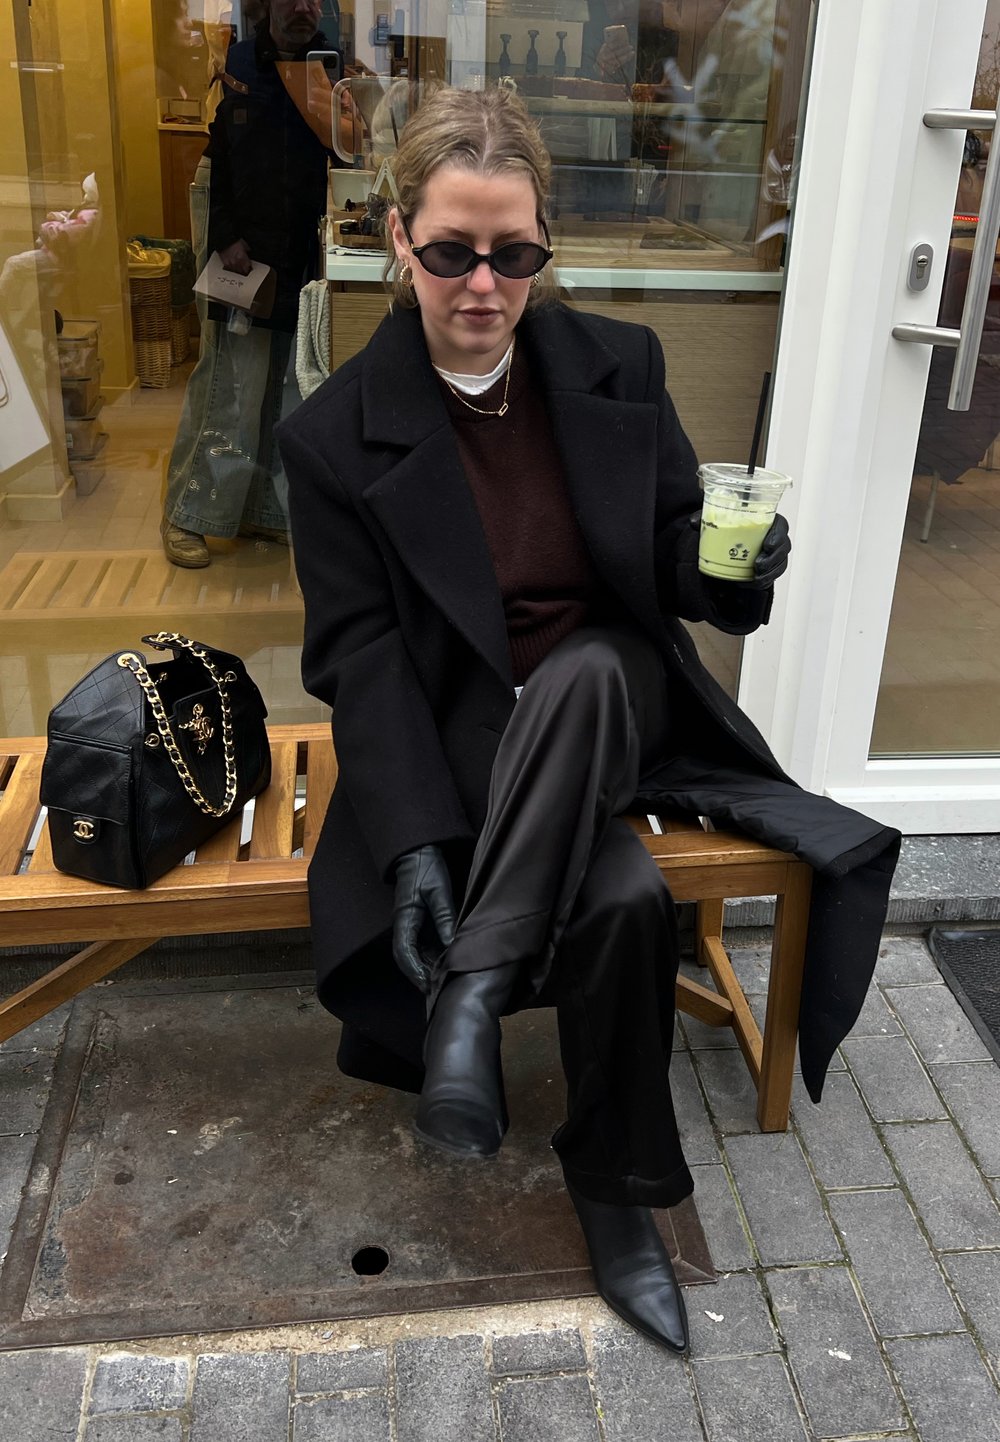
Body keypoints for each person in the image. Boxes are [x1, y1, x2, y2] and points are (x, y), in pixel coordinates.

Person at [278, 85, 900, 1356]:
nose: (482, 285)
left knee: (592, 671)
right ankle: (622, 1197)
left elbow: (675, 554)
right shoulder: (333, 435)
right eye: (450, 251)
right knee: (616, 894)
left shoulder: (618, 363)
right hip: (478, 737)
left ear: (544, 245)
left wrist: (728, 570)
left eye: (513, 253)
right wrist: (406, 841)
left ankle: (475, 993)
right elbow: (361, 658)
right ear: (397, 238)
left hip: (626, 703)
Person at [161, 0, 340, 568]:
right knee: (229, 386)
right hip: (244, 249)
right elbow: (221, 159)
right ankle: (188, 515)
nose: (304, 8)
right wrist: (226, 237)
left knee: (285, 388)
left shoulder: (330, 65)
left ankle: (262, 513)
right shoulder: (243, 60)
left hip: (300, 252)